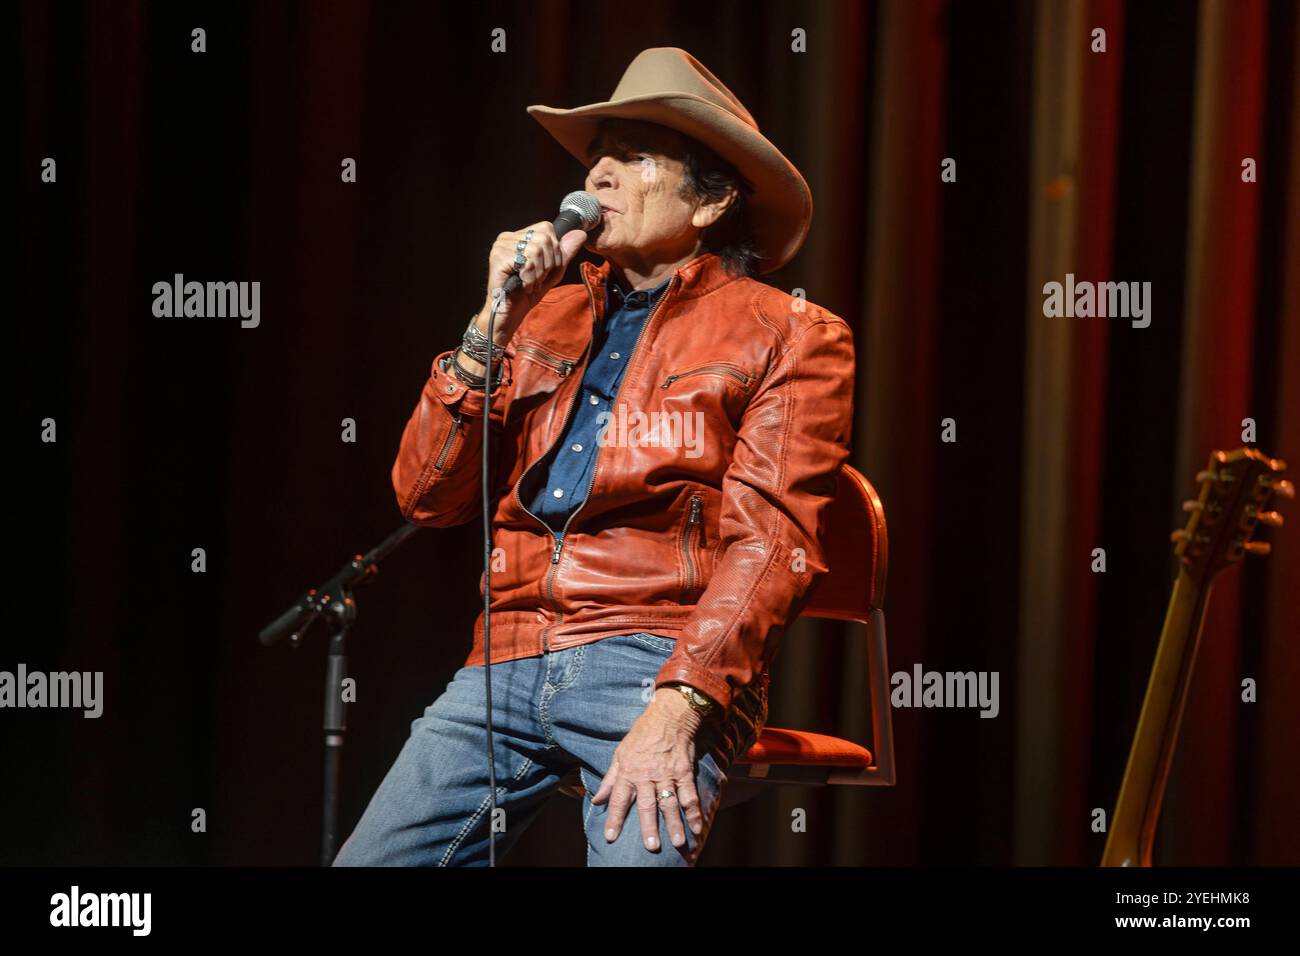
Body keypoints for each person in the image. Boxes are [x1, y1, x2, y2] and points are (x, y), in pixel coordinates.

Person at [333, 47, 854, 867]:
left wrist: (682, 706)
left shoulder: (789, 331)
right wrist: (490, 326)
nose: (599, 175)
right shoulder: (541, 318)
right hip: (503, 656)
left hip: (658, 656)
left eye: (635, 155)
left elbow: (773, 542)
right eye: (597, 156)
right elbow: (426, 498)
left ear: (714, 200)